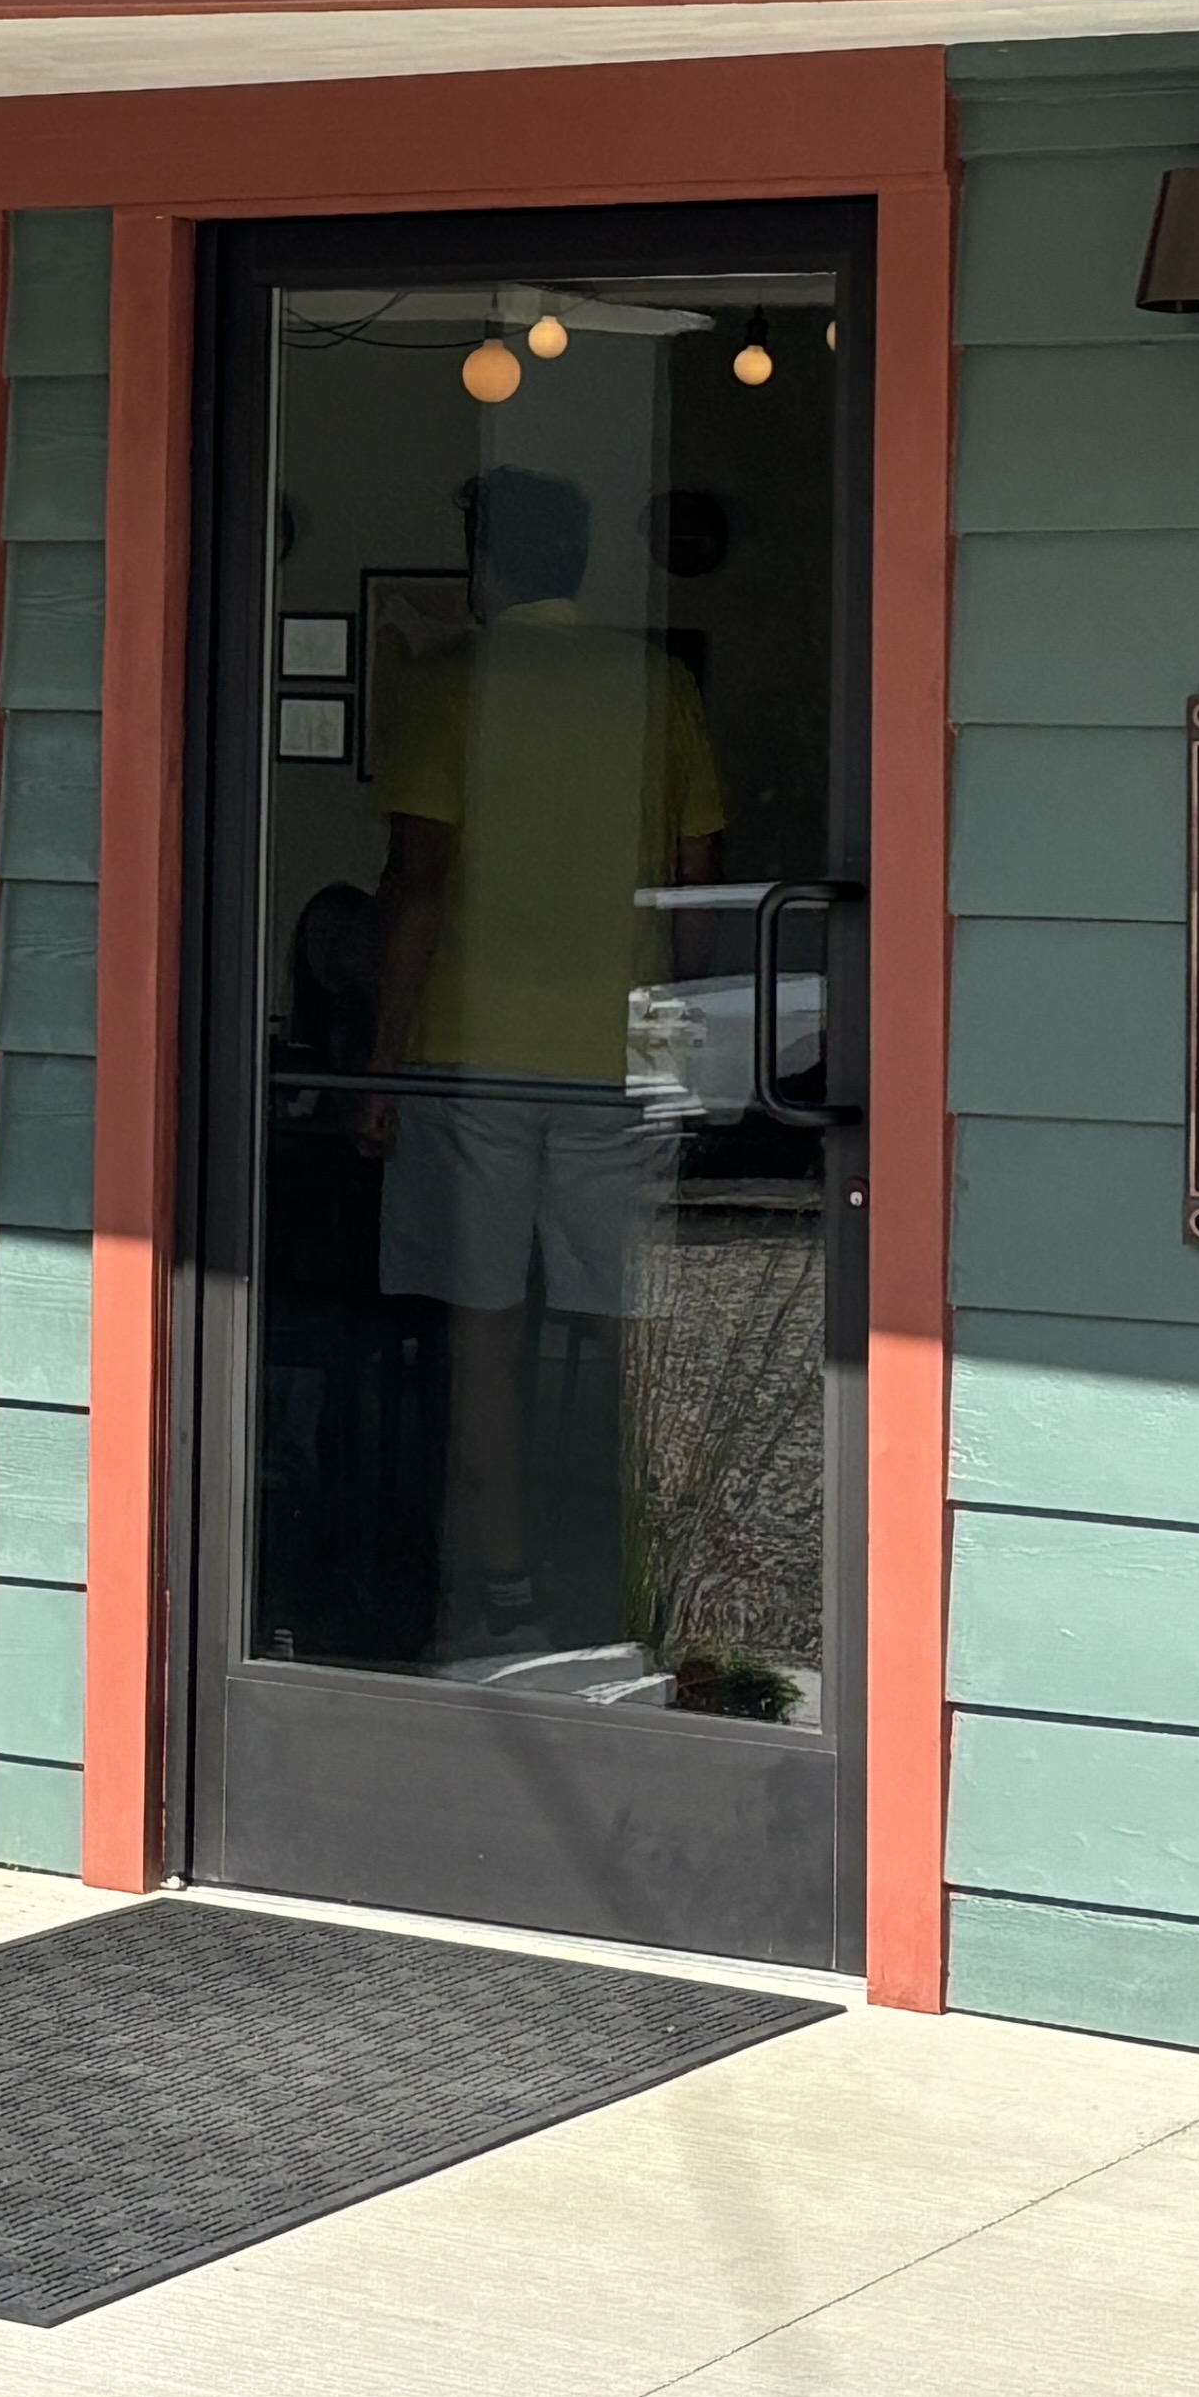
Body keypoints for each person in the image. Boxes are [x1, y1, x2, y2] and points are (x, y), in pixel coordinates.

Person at [367, 462, 727, 1652]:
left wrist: (378, 1062)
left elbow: (419, 881)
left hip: (473, 1053)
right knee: (633, 1324)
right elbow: (692, 886)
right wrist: (686, 1058)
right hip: (619, 1049)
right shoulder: (655, 680)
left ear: (485, 564)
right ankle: (642, 1564)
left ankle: (507, 1579)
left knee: (486, 1326)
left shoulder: (452, 682)